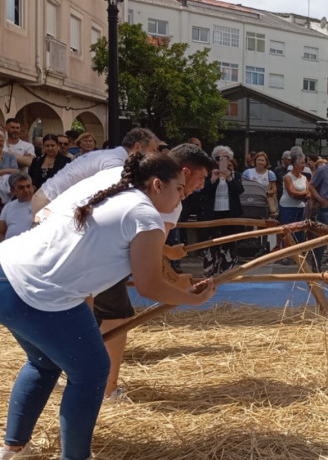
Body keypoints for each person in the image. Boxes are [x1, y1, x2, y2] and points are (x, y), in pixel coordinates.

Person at [0, 153, 216, 460]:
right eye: (180, 189)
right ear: (157, 184)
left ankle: (12, 448)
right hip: (39, 292)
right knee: (92, 371)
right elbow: (149, 285)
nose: (183, 196)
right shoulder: (145, 214)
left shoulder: (116, 192)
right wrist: (193, 299)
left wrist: (176, 279)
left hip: (7, 272)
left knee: (43, 362)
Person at [39, 144, 214, 402]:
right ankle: (106, 389)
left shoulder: (134, 174)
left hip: (50, 236)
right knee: (115, 318)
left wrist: (167, 253)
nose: (199, 187)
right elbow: (148, 271)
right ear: (183, 173)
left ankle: (69, 376)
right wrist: (183, 289)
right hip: (76, 248)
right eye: (200, 179)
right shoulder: (165, 197)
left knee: (83, 312)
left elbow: (146, 243)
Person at [32, 127, 159, 213]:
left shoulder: (113, 157)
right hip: (48, 202)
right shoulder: (115, 162)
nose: (155, 155)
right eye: (153, 150)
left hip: (50, 200)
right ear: (137, 146)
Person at [199, 146, 244, 277]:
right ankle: (210, 271)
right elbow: (203, 191)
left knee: (229, 242)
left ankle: (228, 272)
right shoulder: (208, 173)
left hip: (230, 213)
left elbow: (239, 191)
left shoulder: (236, 175)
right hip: (212, 213)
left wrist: (229, 177)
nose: (222, 161)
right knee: (211, 242)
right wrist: (213, 179)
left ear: (230, 160)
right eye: (219, 158)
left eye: (225, 158)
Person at [279, 152, 309, 246]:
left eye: (304, 163)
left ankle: (297, 254)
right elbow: (292, 193)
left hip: (301, 207)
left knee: (300, 231)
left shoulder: (304, 178)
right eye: (301, 163)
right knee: (288, 231)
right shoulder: (288, 177)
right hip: (288, 207)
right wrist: (303, 193)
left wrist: (300, 194)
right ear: (295, 165)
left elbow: (309, 194)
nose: (304, 165)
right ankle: (286, 254)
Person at [0, 174, 33, 241]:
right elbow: (1, 232)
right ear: (13, 191)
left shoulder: (41, 203)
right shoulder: (8, 207)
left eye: (28, 186)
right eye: (21, 188)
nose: (26, 190)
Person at [0, 136, 20, 205]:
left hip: (8, 184)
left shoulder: (10, 156)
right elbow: (12, 170)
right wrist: (8, 170)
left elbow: (16, 171)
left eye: (1, 140)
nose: (0, 143)